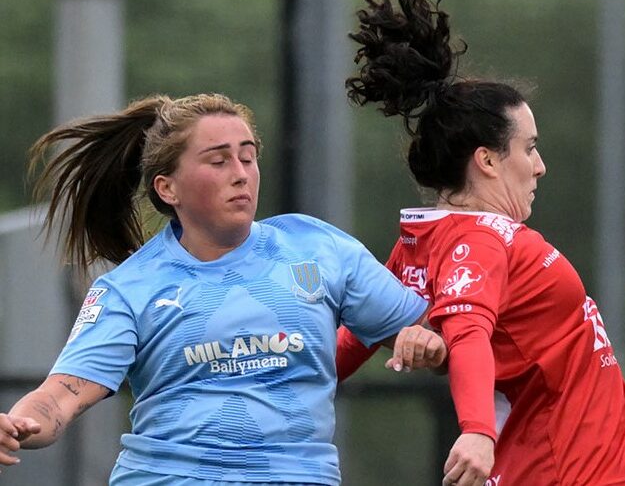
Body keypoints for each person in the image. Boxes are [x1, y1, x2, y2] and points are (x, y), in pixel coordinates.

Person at [0, 93, 447, 485]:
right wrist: (18, 425)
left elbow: (436, 333)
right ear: (167, 188)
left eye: (248, 157)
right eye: (218, 161)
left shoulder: (318, 247)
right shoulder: (129, 288)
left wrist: (424, 339)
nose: (241, 174)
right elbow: (59, 397)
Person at [336, 0, 625, 486]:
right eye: (529, 148)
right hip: (573, 474)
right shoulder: (480, 239)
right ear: (488, 160)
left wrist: (282, 380)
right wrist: (476, 432)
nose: (540, 166)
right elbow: (468, 330)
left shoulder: (430, 241)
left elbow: (356, 337)